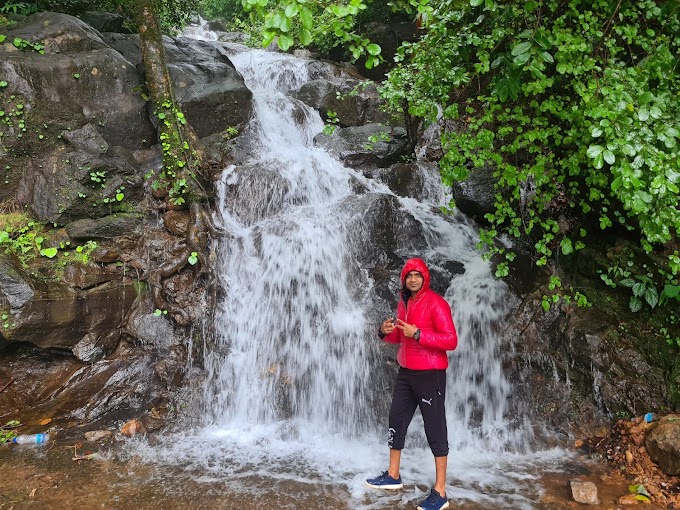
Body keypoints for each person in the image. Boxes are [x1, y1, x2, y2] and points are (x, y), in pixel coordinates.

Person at [366, 257, 458, 510]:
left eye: (418, 275)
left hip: (430, 373)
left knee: (435, 429)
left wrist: (418, 333)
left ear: (425, 278)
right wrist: (385, 331)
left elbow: (450, 340)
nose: (413, 279)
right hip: (406, 371)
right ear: (404, 279)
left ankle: (440, 492)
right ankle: (393, 476)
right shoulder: (403, 303)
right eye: (409, 275)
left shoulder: (436, 303)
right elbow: (400, 336)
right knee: (396, 420)